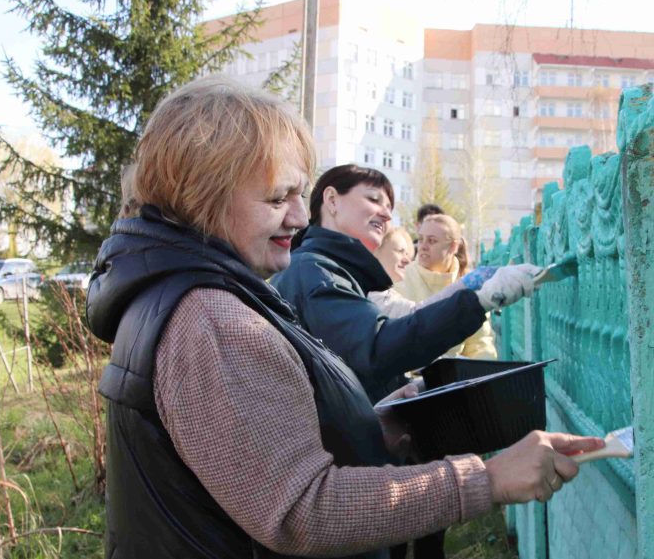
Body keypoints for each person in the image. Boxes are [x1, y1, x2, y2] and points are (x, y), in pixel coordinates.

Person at [86, 78, 603, 559]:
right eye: (278, 197)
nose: (298, 216)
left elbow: (249, 453)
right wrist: (486, 480)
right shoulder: (210, 317)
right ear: (204, 194)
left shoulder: (189, 295)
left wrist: (363, 423)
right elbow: (301, 510)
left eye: (299, 194)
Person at [272, 164, 527, 402]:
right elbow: (377, 347)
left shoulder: (332, 270)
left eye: (389, 207)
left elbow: (350, 373)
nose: (386, 214)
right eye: (373, 199)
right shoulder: (315, 272)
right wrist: (478, 301)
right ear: (332, 200)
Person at [396, 214, 497, 359]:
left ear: (453, 247)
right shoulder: (400, 278)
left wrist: (478, 370)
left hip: (453, 372)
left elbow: (480, 345)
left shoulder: (470, 287)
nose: (423, 246)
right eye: (421, 239)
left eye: (432, 241)